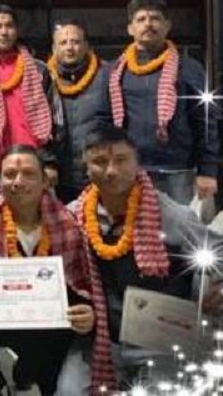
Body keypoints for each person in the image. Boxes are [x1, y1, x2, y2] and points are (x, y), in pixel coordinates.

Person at [57, 127, 221, 393]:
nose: (111, 171)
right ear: (86, 168)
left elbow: (219, 249)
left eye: (121, 160)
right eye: (100, 162)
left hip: (160, 339)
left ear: (137, 164)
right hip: (102, 339)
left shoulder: (171, 215)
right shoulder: (73, 217)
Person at [0, 145, 93, 395]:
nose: (18, 182)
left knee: (64, 333)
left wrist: (86, 311)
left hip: (45, 325)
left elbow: (78, 284)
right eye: (10, 174)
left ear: (45, 180)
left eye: (28, 174)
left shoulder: (69, 224)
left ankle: (31, 379)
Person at [96, 0, 219, 205]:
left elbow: (206, 121)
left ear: (167, 25)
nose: (148, 24)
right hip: (131, 170)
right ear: (130, 28)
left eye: (155, 18)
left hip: (179, 172)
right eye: (141, 19)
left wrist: (208, 171)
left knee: (181, 227)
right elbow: (104, 121)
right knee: (133, 226)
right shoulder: (113, 71)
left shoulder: (189, 68)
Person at [0, 5, 62, 201]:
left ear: (17, 30)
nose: (4, 32)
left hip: (35, 165)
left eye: (9, 26)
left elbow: (57, 119)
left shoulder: (39, 70)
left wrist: (50, 162)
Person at [48, 19, 106, 203]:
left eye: (75, 42)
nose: (69, 48)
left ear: (86, 45)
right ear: (54, 48)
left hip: (98, 173)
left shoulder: (108, 76)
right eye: (63, 43)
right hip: (57, 176)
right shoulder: (43, 79)